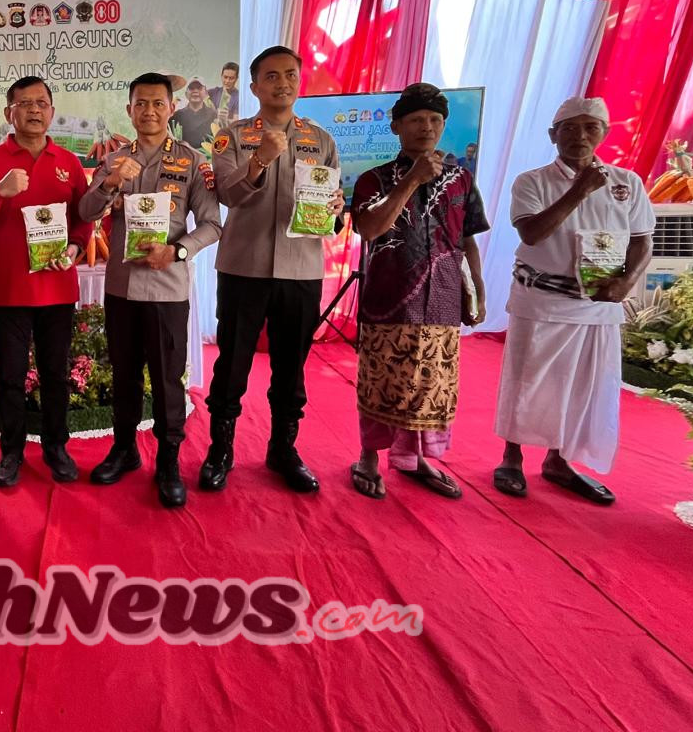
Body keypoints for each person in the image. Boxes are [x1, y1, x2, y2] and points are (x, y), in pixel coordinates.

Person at [492, 97, 654, 505]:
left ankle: (559, 460)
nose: (579, 136)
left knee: (584, 385)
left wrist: (626, 282)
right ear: (553, 135)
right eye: (569, 128)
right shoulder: (533, 181)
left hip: (598, 302)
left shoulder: (627, 183)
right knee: (528, 379)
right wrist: (579, 191)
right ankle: (511, 457)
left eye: (590, 127)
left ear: (604, 133)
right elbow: (532, 234)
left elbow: (642, 240)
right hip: (542, 298)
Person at [199, 46, 345, 494]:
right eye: (272, 76)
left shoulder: (321, 140)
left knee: (291, 366)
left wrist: (336, 208)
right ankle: (220, 451)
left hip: (301, 270)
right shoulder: (232, 136)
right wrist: (260, 158)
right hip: (243, 267)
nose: (283, 83)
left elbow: (333, 207)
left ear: (299, 81)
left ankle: (283, 449)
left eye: (290, 75)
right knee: (233, 363)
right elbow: (227, 195)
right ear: (255, 86)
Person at [79, 73, 222, 507]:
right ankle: (124, 450)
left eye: (158, 103)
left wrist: (177, 251)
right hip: (122, 289)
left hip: (167, 290)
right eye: (141, 103)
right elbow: (85, 211)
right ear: (129, 110)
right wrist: (109, 183)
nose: (149, 111)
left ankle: (168, 460)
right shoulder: (114, 160)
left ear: (171, 108)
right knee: (124, 375)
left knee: (166, 380)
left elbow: (212, 224)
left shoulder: (192, 162)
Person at [348, 84, 489, 500]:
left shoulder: (462, 179)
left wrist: (477, 289)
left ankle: (417, 458)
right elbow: (369, 229)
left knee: (432, 384)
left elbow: (467, 238)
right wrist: (411, 180)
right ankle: (368, 457)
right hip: (389, 298)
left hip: (443, 297)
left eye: (434, 120)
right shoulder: (374, 179)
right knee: (381, 380)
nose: (426, 127)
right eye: (415, 120)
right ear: (396, 127)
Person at [0, 76, 92, 487]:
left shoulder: (69, 162)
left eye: (42, 103)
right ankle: (12, 451)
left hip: (57, 287)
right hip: (9, 290)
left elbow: (83, 219)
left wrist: (75, 248)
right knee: (10, 378)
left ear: (52, 112)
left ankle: (56, 447)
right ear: (9, 113)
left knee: (56, 375)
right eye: (25, 103)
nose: (34, 110)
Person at [170, 78, 218, 149]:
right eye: (191, 88)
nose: (195, 91)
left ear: (206, 93)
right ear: (186, 94)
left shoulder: (214, 115)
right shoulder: (176, 116)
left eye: (199, 88)